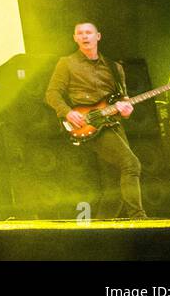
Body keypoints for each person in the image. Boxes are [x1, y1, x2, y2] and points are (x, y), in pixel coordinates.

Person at [44, 21, 147, 219]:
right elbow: (52, 94)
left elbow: (123, 99)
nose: (84, 36)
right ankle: (138, 217)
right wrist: (67, 112)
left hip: (113, 124)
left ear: (98, 36)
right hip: (88, 122)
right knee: (131, 165)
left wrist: (126, 110)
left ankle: (102, 229)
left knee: (113, 181)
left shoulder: (114, 67)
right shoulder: (67, 63)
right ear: (75, 38)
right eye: (80, 33)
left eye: (88, 32)